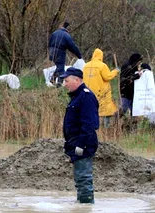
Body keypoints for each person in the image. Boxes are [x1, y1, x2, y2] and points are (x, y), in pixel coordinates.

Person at [61, 67, 99, 204]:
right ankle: (82, 205)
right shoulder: (77, 96)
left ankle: (86, 207)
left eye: (67, 80)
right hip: (74, 142)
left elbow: (89, 124)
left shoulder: (86, 96)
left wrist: (81, 145)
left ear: (77, 80)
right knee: (80, 178)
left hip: (83, 143)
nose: (65, 84)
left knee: (83, 178)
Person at [82, 48, 119, 127]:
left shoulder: (86, 66)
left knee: (91, 109)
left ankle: (93, 126)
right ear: (101, 56)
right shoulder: (102, 65)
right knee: (106, 110)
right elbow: (107, 77)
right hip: (101, 92)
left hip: (89, 91)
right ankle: (106, 127)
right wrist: (115, 71)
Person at [48, 21, 82, 87]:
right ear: (67, 28)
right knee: (61, 68)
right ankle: (59, 85)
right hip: (59, 52)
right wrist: (79, 55)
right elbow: (72, 47)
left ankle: (52, 80)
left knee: (58, 66)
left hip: (51, 51)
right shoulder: (66, 35)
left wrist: (50, 51)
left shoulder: (55, 33)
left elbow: (49, 42)